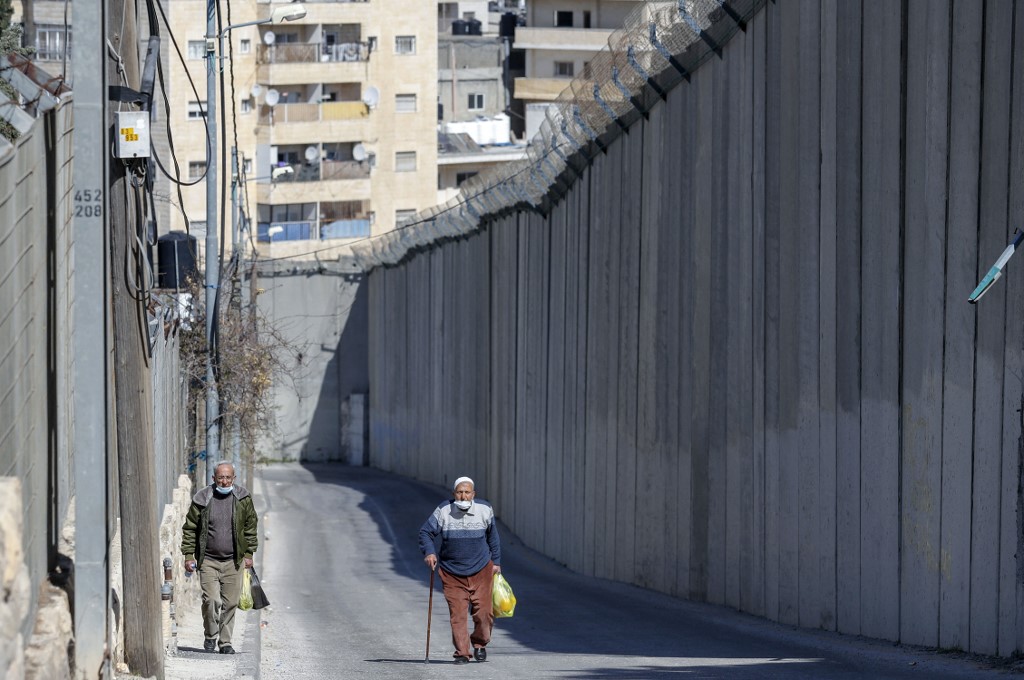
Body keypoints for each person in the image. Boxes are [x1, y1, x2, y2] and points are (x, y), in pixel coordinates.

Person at [419, 476, 501, 664]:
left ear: (473, 494)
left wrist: (496, 562)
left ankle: (480, 643)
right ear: (453, 493)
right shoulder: (444, 510)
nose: (463, 496)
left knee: (484, 613)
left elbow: (493, 538)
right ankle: (462, 652)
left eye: (467, 492)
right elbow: (425, 532)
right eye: (459, 492)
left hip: (481, 569)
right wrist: (430, 553)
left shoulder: (484, 509)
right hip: (452, 572)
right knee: (458, 614)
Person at [181, 461, 258, 655]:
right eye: (221, 477)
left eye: (228, 477)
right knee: (211, 600)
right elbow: (190, 529)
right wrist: (189, 555)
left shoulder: (243, 498)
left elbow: (250, 527)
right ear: (214, 478)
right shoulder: (203, 498)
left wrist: (248, 554)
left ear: (234, 478)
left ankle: (225, 643)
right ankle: (210, 634)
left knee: (230, 603)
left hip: (234, 561)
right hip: (208, 560)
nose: (224, 481)